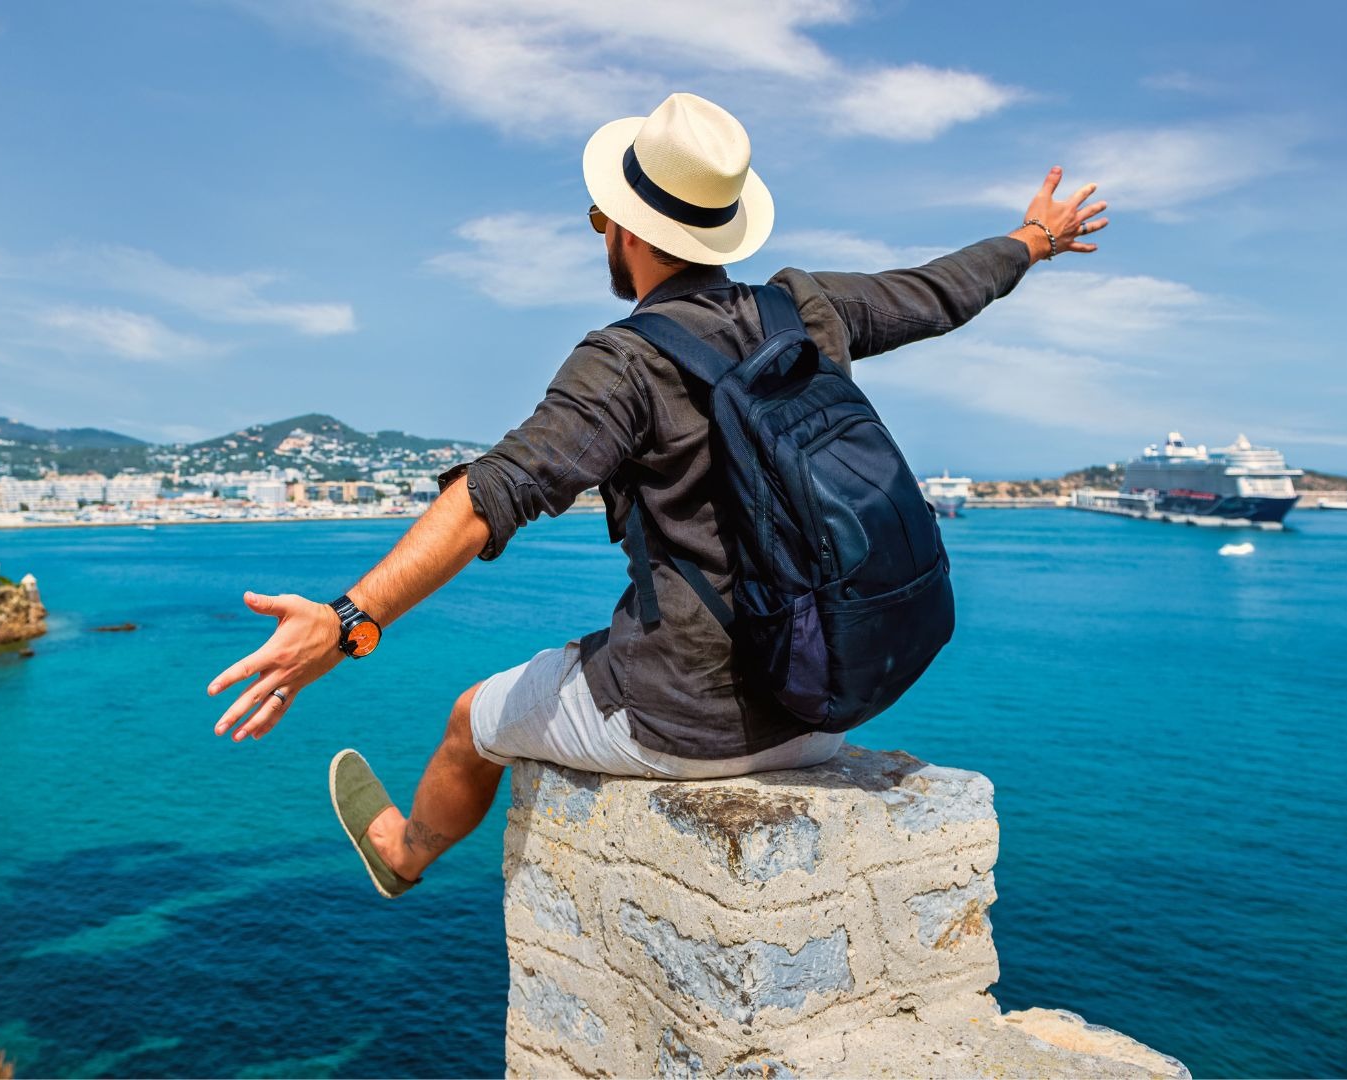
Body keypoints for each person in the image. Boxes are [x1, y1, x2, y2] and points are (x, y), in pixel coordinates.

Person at [208, 92, 1108, 898]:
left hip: (687, 722)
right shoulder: (805, 309)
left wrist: (346, 621)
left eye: (601, 217)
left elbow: (491, 494)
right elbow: (939, 292)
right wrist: (1035, 239)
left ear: (627, 232)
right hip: (829, 699)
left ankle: (403, 853)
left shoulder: (625, 361)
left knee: (470, 722)